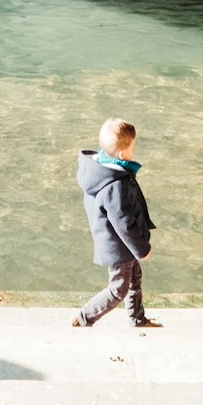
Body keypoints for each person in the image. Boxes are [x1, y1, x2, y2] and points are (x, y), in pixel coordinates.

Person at [72, 116, 160, 329]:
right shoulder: (115, 185)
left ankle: (138, 319)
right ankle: (84, 318)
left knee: (135, 278)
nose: (134, 151)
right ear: (122, 154)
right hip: (118, 246)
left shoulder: (101, 172)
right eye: (133, 147)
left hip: (113, 240)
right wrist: (142, 249)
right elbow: (124, 223)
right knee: (118, 289)